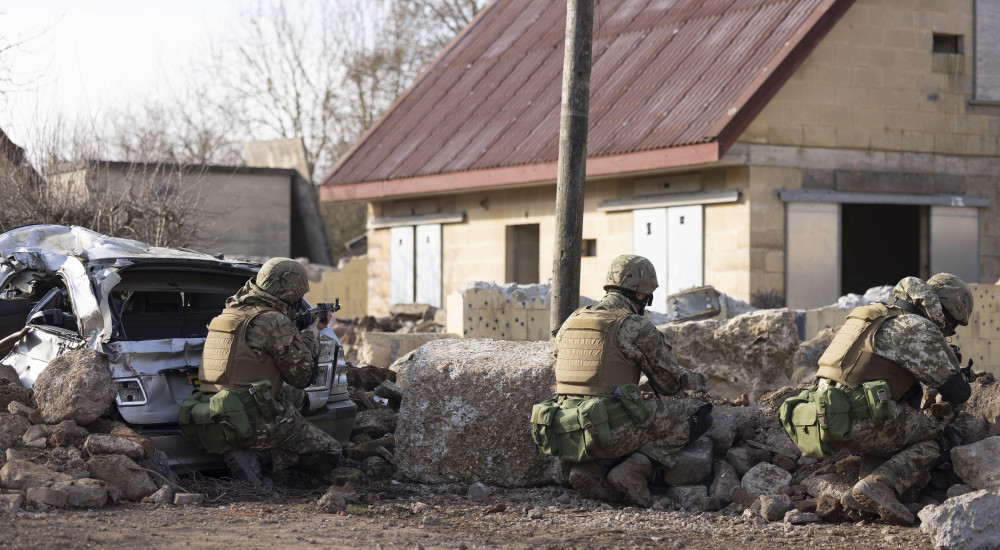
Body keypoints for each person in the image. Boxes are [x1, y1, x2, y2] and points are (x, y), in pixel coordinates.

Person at [781, 273, 973, 525]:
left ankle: (864, 489)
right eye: (953, 323)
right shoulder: (917, 327)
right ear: (945, 309)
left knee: (894, 419)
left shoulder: (873, 312)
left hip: (817, 414)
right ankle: (881, 485)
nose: (950, 330)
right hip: (856, 419)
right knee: (940, 437)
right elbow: (957, 392)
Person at [531, 254, 712, 507]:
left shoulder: (572, 320)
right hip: (608, 429)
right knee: (699, 413)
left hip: (568, 427)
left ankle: (590, 469)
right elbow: (668, 385)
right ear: (640, 295)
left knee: (618, 411)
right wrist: (692, 380)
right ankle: (634, 470)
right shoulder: (635, 325)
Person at [195, 257, 342, 484]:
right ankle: (259, 456)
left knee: (298, 399)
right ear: (291, 292)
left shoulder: (231, 312)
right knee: (331, 453)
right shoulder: (275, 321)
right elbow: (303, 375)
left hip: (216, 409)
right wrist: (311, 333)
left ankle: (266, 444)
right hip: (249, 417)